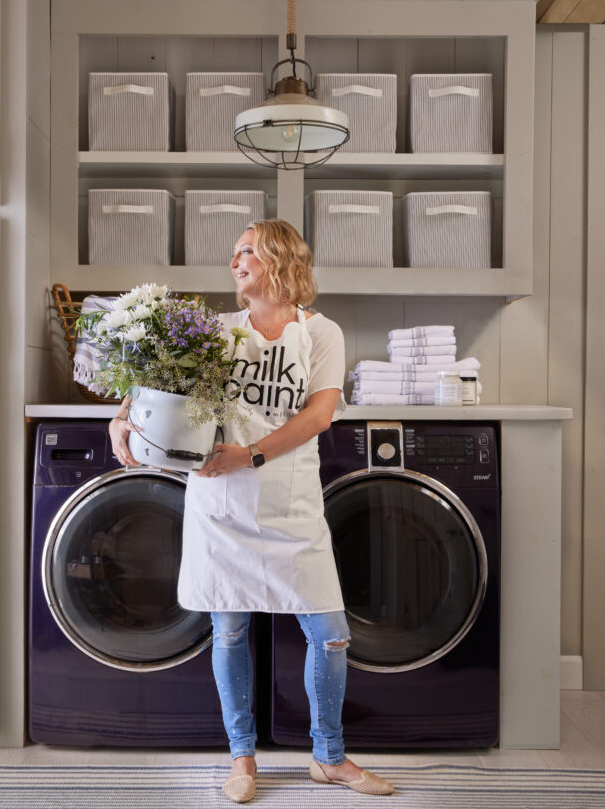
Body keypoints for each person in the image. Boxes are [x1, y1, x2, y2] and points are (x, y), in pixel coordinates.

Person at [110, 219, 394, 803]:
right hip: (222, 501)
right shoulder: (216, 330)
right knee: (230, 630)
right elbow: (149, 390)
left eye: (246, 251)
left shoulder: (322, 333)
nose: (235, 261)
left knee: (331, 633)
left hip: (289, 501)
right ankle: (242, 758)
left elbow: (318, 415)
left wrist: (252, 454)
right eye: (234, 252)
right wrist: (119, 419)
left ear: (277, 256)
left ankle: (329, 758)